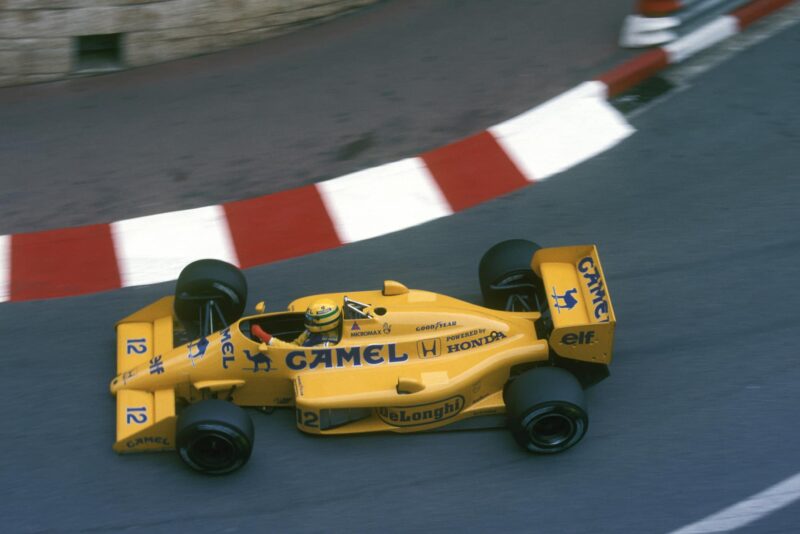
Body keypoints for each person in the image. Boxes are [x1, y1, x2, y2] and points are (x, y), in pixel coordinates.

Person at [252, 298, 341, 349]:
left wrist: (267, 338)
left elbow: (297, 352)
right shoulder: (312, 330)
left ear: (324, 322)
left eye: (311, 320)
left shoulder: (327, 346)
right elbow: (296, 344)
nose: (308, 322)